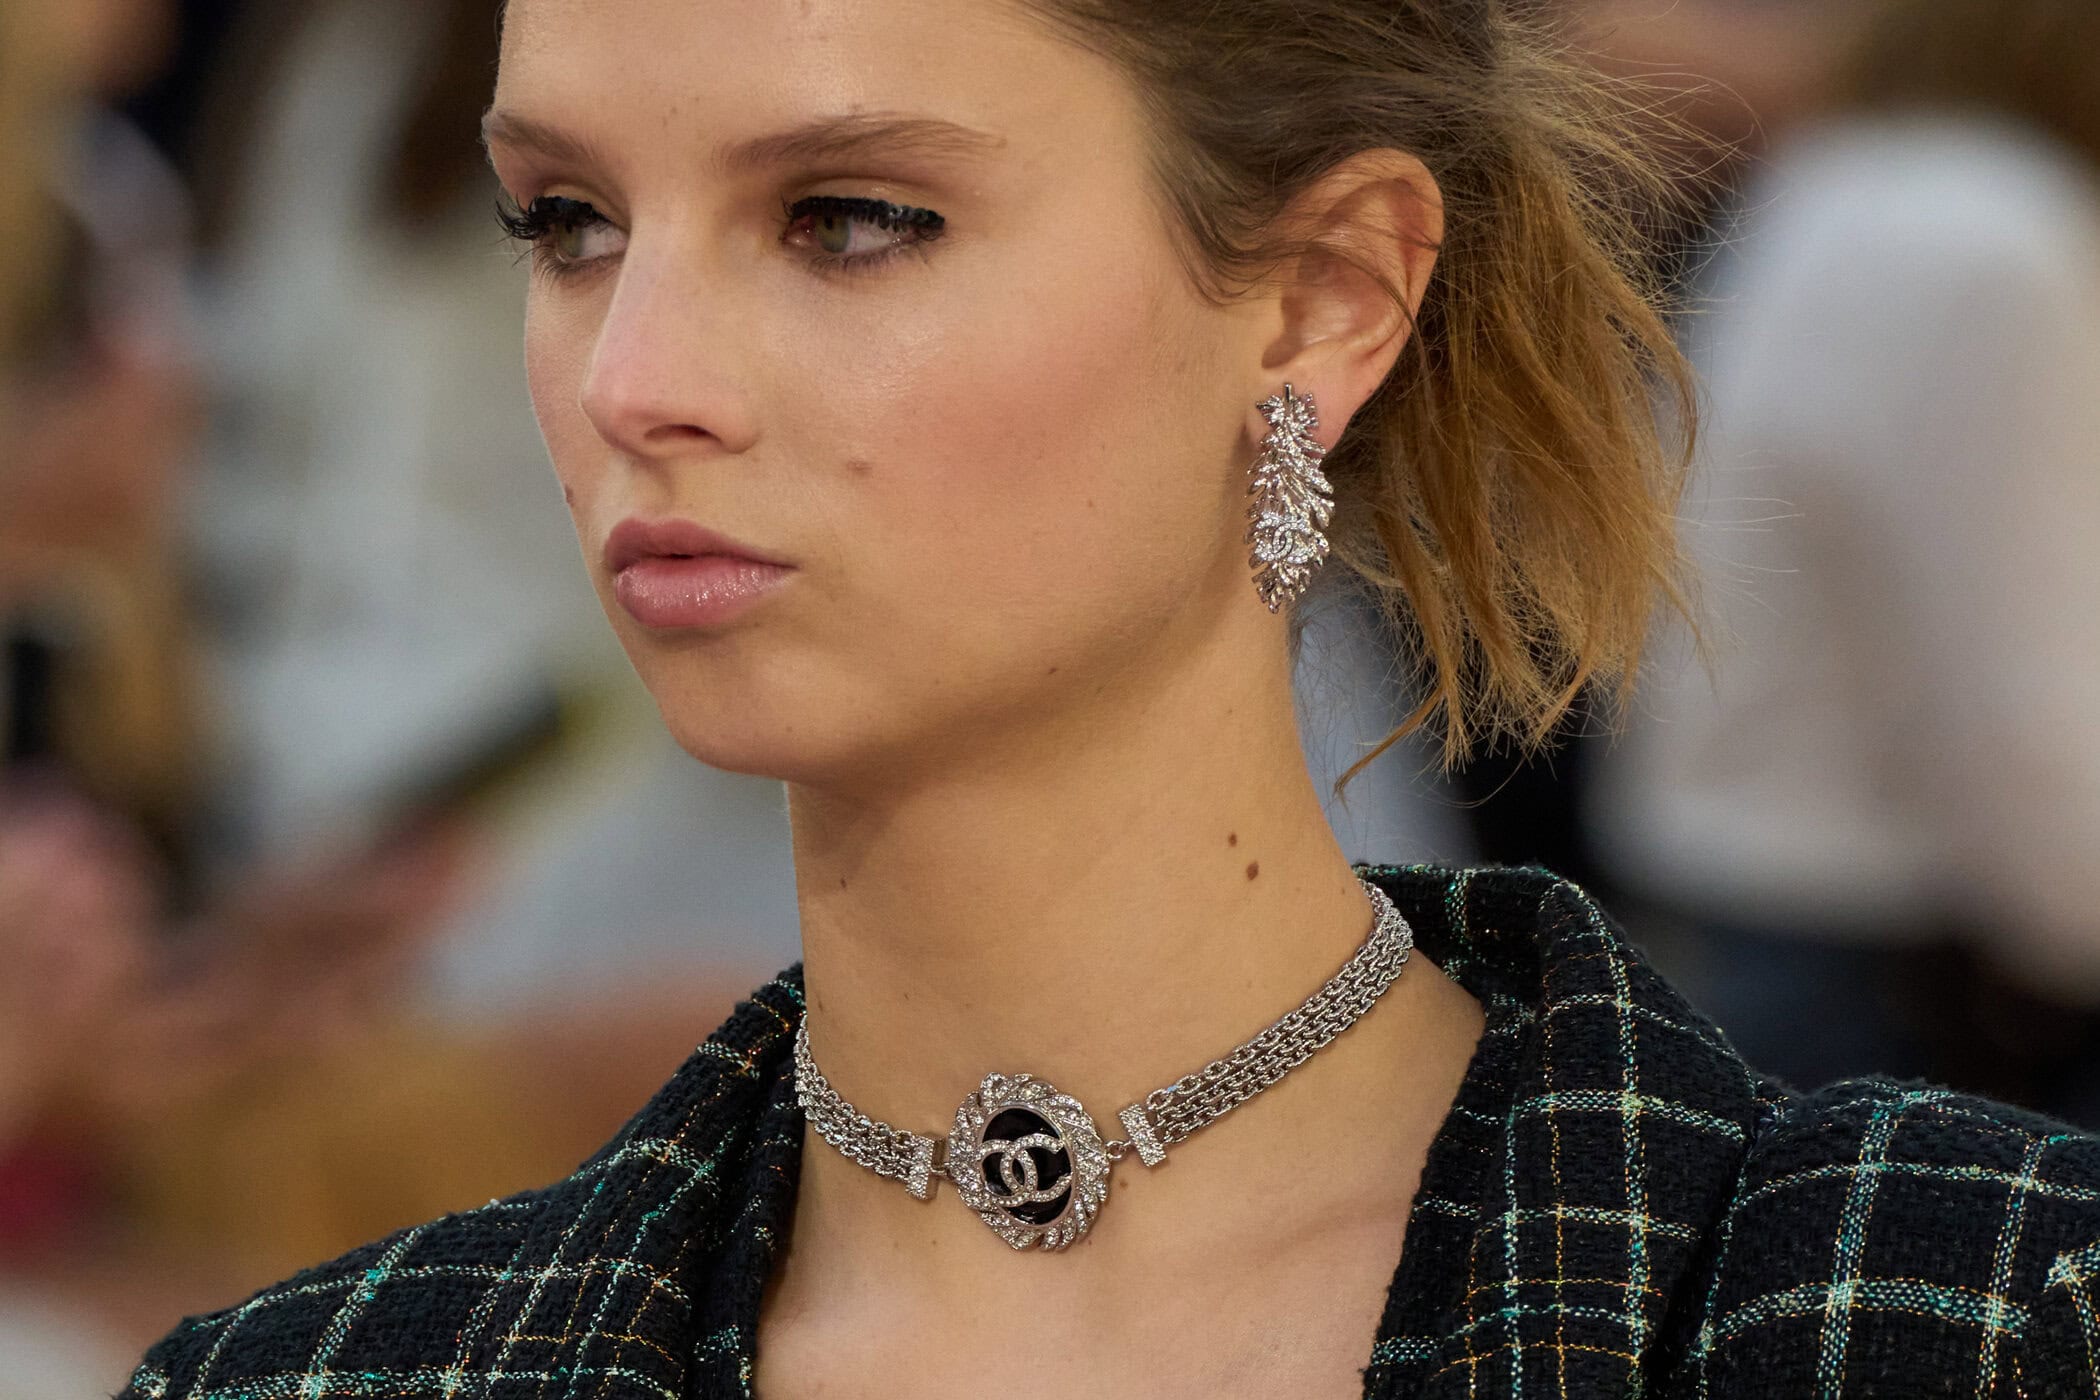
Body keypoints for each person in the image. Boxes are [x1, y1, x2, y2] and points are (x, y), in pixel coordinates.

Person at [121, 1, 2100, 1397]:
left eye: (850, 219)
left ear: (1326, 295)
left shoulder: (1964, 1307)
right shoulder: (307, 1378)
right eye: (567, 223)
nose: (636, 378)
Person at [1586, 0, 2100, 1123]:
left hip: (1758, 937)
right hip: (1898, 987)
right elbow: (2029, 737)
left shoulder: (1850, 182)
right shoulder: (1989, 238)